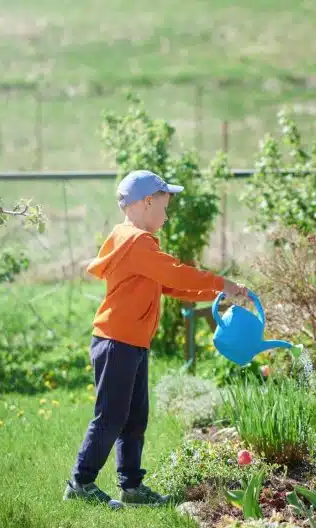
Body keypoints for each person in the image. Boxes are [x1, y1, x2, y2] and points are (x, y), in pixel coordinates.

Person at [64, 169, 248, 509]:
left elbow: (172, 285)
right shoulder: (136, 242)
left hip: (130, 341)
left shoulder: (133, 241)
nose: (167, 214)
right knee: (111, 417)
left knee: (134, 418)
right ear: (147, 202)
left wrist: (217, 292)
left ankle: (131, 488)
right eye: (164, 206)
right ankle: (81, 481)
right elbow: (175, 272)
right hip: (117, 340)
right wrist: (221, 283)